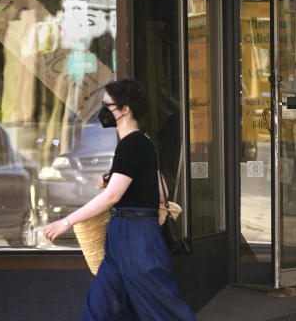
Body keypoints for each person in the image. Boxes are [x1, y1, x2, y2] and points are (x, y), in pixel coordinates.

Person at [43, 79, 197, 321]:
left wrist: (66, 222)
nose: (103, 111)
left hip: (136, 236)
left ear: (124, 109)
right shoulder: (139, 142)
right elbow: (162, 193)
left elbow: (112, 196)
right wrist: (119, 177)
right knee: (101, 305)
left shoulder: (132, 144)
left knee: (160, 308)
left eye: (107, 105)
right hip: (127, 234)